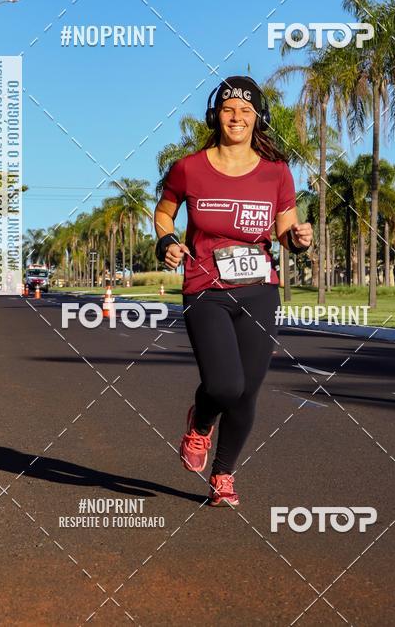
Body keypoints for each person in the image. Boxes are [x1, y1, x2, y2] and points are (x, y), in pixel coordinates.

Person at [153, 75, 312, 507]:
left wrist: (298, 238)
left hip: (260, 289)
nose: (236, 117)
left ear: (258, 118)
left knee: (247, 391)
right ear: (215, 116)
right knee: (224, 385)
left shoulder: (277, 172)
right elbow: (164, 213)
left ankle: (223, 474)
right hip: (205, 288)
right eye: (228, 109)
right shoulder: (189, 168)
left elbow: (285, 230)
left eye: (245, 110)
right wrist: (167, 241)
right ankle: (200, 423)